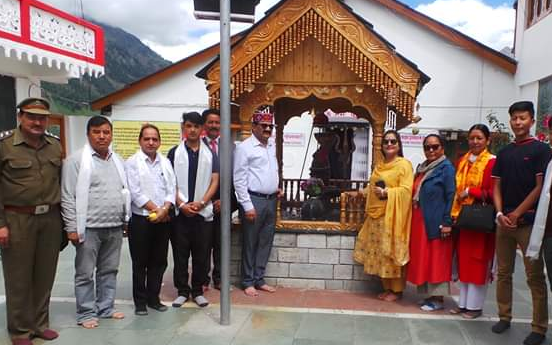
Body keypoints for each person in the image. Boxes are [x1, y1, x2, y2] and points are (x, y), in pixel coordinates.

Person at [0, 98, 62, 345]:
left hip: (50, 218)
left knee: (45, 274)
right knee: (18, 276)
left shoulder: (54, 147)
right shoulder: (5, 146)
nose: (37, 122)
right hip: (17, 218)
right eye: (31, 116)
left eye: (42, 117)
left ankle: (39, 324)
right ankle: (20, 330)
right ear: (20, 117)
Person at [61, 115, 130, 329]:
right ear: (88, 134)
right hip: (88, 228)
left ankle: (106, 308)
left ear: (111, 135)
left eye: (106, 132)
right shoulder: (76, 160)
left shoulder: (118, 160)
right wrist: (72, 228)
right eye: (97, 132)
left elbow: (123, 192)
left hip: (114, 227)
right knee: (84, 273)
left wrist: (125, 218)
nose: (102, 136)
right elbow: (67, 195)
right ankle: (86, 313)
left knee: (109, 270)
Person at [492, 101, 550, 345]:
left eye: (523, 118)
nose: (518, 122)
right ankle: (504, 316)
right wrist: (499, 214)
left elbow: (540, 188)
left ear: (532, 121)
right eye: (514, 118)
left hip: (528, 223)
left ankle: (538, 328)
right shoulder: (504, 153)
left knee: (534, 276)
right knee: (503, 273)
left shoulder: (542, 151)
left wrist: (517, 213)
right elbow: (496, 185)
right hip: (503, 222)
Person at [353, 130, 413, 302]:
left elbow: (406, 190)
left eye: (393, 141)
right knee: (382, 253)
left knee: (391, 251)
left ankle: (397, 290)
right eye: (386, 142)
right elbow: (372, 188)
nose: (389, 144)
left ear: (399, 144)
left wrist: (387, 192)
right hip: (376, 217)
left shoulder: (404, 165)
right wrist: (361, 193)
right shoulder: (379, 166)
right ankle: (387, 288)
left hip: (392, 216)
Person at [168, 112, 219, 308]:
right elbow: (169, 182)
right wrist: (182, 204)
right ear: (183, 127)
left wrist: (203, 203)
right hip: (181, 213)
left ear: (202, 129)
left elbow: (215, 180)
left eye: (197, 127)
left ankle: (197, 290)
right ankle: (182, 291)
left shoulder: (209, 153)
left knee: (202, 254)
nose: (192, 130)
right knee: (180, 254)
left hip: (202, 212)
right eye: (189, 126)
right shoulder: (174, 153)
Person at [125, 124, 175, 315]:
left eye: (154, 139)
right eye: (147, 138)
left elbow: (172, 187)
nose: (151, 142)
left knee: (159, 261)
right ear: (140, 141)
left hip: (163, 220)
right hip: (141, 221)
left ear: (159, 142)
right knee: (140, 262)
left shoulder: (165, 162)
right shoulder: (132, 162)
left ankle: (154, 298)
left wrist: (166, 209)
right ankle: (140, 302)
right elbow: (136, 192)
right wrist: (158, 209)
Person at [450, 124, 496, 319]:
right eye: (472, 138)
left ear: (487, 140)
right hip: (463, 217)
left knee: (478, 262)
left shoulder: (492, 161)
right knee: (464, 261)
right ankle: (463, 304)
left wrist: (471, 191)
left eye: (479, 138)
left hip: (480, 218)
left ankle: (475, 307)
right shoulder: (462, 161)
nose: (475, 142)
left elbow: (495, 192)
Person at [406, 134, 455, 311]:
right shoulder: (423, 168)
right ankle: (428, 296)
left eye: (435, 146)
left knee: (436, 260)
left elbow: (451, 196)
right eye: (427, 147)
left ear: (442, 148)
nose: (431, 150)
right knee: (424, 259)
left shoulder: (446, 168)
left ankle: (438, 299)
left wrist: (447, 222)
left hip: (436, 221)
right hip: (421, 220)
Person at [234, 108, 280, 297]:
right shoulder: (244, 148)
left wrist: (275, 186)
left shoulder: (271, 146)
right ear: (254, 127)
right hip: (254, 200)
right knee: (250, 242)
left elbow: (270, 171)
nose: (268, 129)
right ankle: (247, 281)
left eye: (270, 126)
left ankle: (259, 278)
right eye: (264, 125)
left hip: (271, 200)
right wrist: (247, 206)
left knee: (265, 242)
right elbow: (239, 179)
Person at [201, 109, 238, 290]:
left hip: (224, 204)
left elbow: (234, 178)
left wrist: (225, 201)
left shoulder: (231, 147)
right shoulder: (196, 146)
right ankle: (202, 279)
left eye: (218, 122)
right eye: (211, 122)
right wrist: (206, 201)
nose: (214, 126)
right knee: (203, 244)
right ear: (204, 125)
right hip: (202, 204)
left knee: (221, 243)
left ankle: (220, 279)